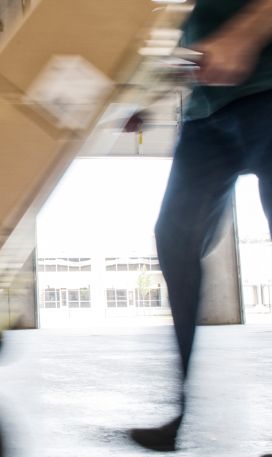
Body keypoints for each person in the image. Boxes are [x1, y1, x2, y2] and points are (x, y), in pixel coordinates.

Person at [129, 0, 272, 452]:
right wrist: (147, 96)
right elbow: (193, 34)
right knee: (175, 238)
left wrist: (248, 31)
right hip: (207, 115)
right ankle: (180, 411)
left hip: (268, 94)